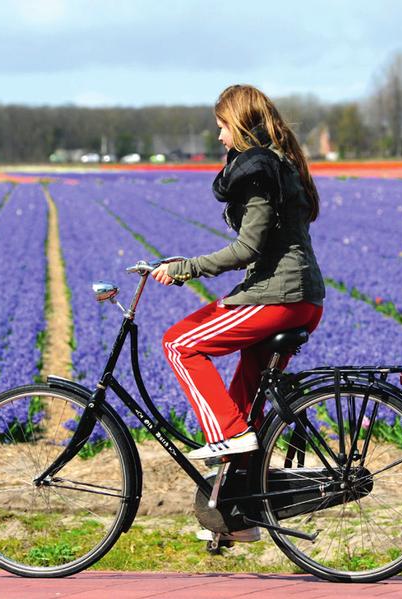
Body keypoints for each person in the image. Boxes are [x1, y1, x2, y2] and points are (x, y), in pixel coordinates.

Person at [151, 84, 325, 470]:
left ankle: (227, 436)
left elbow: (248, 248)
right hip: (304, 299)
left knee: (179, 344)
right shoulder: (283, 162)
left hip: (278, 298)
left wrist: (186, 269)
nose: (219, 136)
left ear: (242, 125)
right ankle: (236, 519)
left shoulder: (259, 171)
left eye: (223, 126)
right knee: (245, 403)